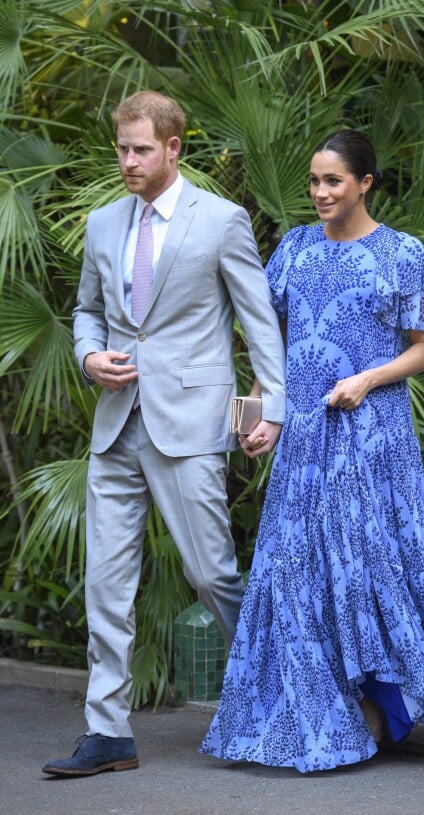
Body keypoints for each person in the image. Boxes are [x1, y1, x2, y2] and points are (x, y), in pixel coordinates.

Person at [199, 130, 424, 773]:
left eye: (332, 182)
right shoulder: (292, 250)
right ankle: (319, 708)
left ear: (365, 183)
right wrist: (261, 416)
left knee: (372, 570)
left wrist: (367, 379)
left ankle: (385, 706)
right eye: (313, 182)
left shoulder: (402, 253)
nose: (318, 193)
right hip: (304, 442)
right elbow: (273, 346)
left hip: (371, 437)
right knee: (297, 570)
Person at [42, 90, 286, 777]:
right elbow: (87, 311)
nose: (127, 160)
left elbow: (257, 327)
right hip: (116, 427)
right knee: (106, 584)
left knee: (211, 573)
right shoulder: (101, 224)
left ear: (173, 148)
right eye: (121, 148)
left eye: (141, 148)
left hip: (191, 424)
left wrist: (263, 413)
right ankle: (108, 730)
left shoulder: (223, 221)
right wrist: (89, 355)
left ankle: (272, 690)